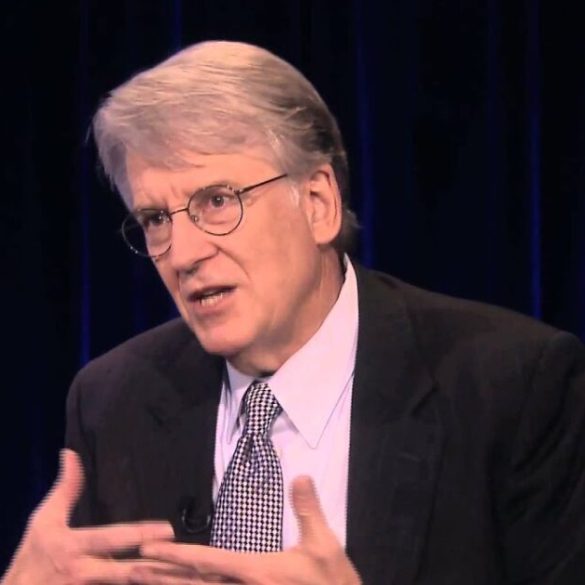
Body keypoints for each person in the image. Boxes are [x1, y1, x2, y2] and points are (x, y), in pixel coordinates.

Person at [3, 40, 585, 585]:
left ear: (318, 203)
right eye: (156, 219)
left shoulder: (512, 389)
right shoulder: (112, 401)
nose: (181, 254)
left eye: (217, 201)